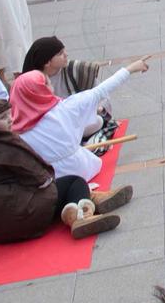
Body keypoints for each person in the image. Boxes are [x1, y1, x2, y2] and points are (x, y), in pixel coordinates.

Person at [0, 98, 120, 240]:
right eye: (3, 118)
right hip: (23, 219)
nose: (10, 119)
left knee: (55, 190)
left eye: (9, 115)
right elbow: (41, 178)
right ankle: (81, 214)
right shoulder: (7, 144)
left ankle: (90, 199)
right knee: (74, 181)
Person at [8, 63, 143, 206]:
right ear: (42, 90)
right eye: (47, 83)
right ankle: (88, 201)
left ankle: (85, 202)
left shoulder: (15, 132)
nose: (51, 86)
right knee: (97, 122)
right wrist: (130, 69)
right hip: (82, 167)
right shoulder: (67, 108)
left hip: (51, 180)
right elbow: (101, 90)